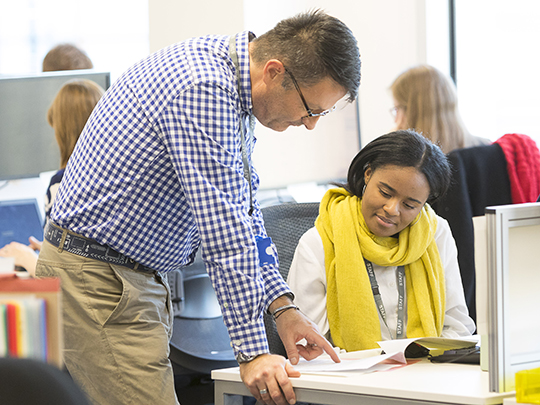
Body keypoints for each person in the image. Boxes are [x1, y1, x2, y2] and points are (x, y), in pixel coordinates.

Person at [36, 9, 361, 405]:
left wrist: (283, 307)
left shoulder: (230, 86)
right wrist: (253, 352)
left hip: (127, 274)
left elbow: (245, 212)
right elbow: (225, 233)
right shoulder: (203, 89)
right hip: (100, 277)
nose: (310, 125)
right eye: (311, 110)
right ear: (275, 71)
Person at [287, 130, 475, 352]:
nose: (392, 210)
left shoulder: (435, 233)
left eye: (409, 205)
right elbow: (308, 346)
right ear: (368, 175)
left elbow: (457, 326)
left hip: (425, 372)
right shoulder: (318, 242)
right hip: (350, 378)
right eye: (385, 193)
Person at [0, 79, 105, 276]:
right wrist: (47, 249)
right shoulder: (111, 178)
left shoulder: (62, 184)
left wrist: (24, 257)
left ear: (62, 132)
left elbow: (57, 275)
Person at [390, 65, 489, 154]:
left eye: (397, 109)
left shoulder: (407, 162)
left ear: (414, 111)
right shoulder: (487, 150)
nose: (396, 120)